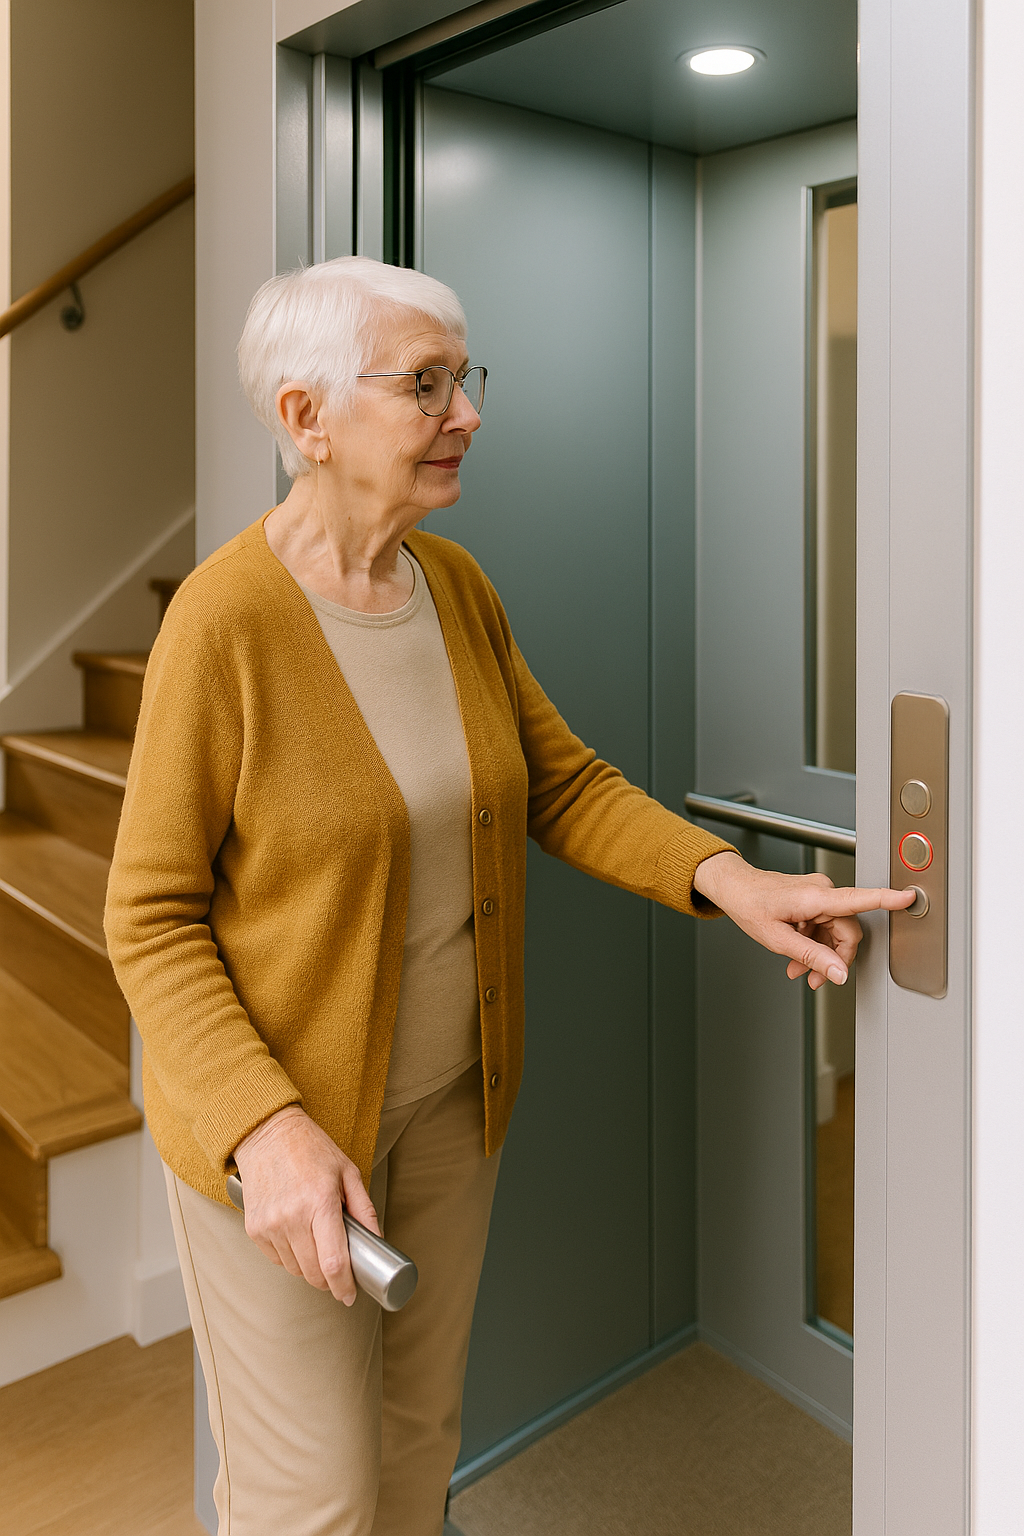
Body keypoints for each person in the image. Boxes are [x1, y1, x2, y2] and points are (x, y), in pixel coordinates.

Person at [104, 255, 913, 1536]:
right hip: (285, 1141)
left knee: (420, 1441)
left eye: (462, 378)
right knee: (308, 1494)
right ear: (306, 420)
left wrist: (730, 879)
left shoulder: (454, 589)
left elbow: (561, 783)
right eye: (425, 384)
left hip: (446, 1110)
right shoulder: (225, 623)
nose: (466, 412)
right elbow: (147, 918)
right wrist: (265, 1131)